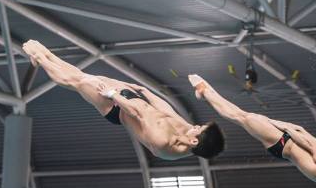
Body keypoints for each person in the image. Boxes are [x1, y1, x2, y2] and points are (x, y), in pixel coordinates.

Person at [23, 40, 224, 160]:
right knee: (80, 75)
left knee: (75, 81)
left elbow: (139, 115)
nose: (196, 125)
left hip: (117, 108)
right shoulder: (189, 135)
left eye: (200, 128)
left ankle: (38, 57)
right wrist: (146, 91)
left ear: (194, 140)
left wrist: (114, 96)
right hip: (133, 99)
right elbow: (168, 112)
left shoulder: (164, 144)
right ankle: (43, 52)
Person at [188, 74, 316, 188]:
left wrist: (277, 123)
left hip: (284, 140)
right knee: (241, 117)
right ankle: (205, 94)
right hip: (283, 150)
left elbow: (306, 139)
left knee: (241, 116)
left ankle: (204, 92)